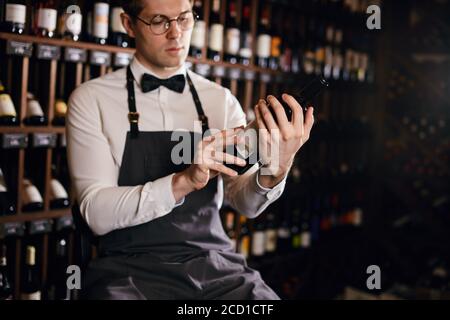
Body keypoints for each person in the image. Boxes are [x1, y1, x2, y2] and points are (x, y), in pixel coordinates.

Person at [67, 0, 315, 300]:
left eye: (184, 19)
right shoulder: (91, 99)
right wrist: (184, 181)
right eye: (159, 21)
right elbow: (95, 212)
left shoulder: (221, 101)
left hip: (216, 269)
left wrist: (278, 166)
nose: (176, 34)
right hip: (128, 272)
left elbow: (245, 203)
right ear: (128, 25)